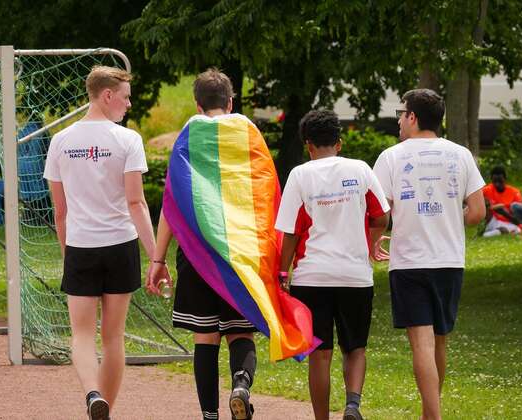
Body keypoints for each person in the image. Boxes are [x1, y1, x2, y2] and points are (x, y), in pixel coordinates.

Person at [43, 65, 157, 420]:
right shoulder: (128, 139)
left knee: (80, 335)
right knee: (113, 337)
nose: (128, 105)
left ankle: (93, 395)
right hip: (121, 245)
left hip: (80, 246)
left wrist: (68, 254)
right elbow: (136, 203)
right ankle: (106, 405)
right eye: (125, 98)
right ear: (107, 95)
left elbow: (59, 213)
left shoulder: (60, 140)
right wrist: (156, 257)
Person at [147, 69, 258, 420]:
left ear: (197, 104)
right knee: (241, 333)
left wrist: (157, 258)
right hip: (239, 250)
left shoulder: (188, 134)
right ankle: (241, 383)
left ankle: (210, 416)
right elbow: (264, 191)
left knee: (205, 337)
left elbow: (173, 201)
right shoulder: (248, 132)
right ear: (230, 101)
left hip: (197, 254)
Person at [372, 89, 486, 420]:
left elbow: (381, 213)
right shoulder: (461, 154)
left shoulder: (391, 157)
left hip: (409, 261)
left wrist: (375, 241)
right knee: (439, 343)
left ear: (412, 117)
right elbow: (477, 211)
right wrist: (450, 219)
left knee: (421, 344)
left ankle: (432, 417)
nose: (398, 119)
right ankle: (429, 412)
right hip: (450, 261)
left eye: (401, 112)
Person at [275, 110, 390, 420]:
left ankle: (322, 418)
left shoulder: (300, 175)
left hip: (312, 276)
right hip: (355, 276)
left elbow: (289, 231)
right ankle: (352, 404)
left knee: (320, 355)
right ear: (339, 143)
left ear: (307, 144)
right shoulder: (362, 170)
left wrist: (283, 274)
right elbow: (382, 215)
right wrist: (371, 241)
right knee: (356, 349)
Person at [482, 166, 522, 236]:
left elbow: (519, 221)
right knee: (483, 205)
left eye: (500, 181)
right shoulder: (487, 189)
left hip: (510, 222)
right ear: (491, 180)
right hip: (493, 221)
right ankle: (485, 229)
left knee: (517, 230)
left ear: (505, 179)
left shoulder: (515, 192)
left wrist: (504, 213)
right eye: (495, 181)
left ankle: (499, 231)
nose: (497, 184)